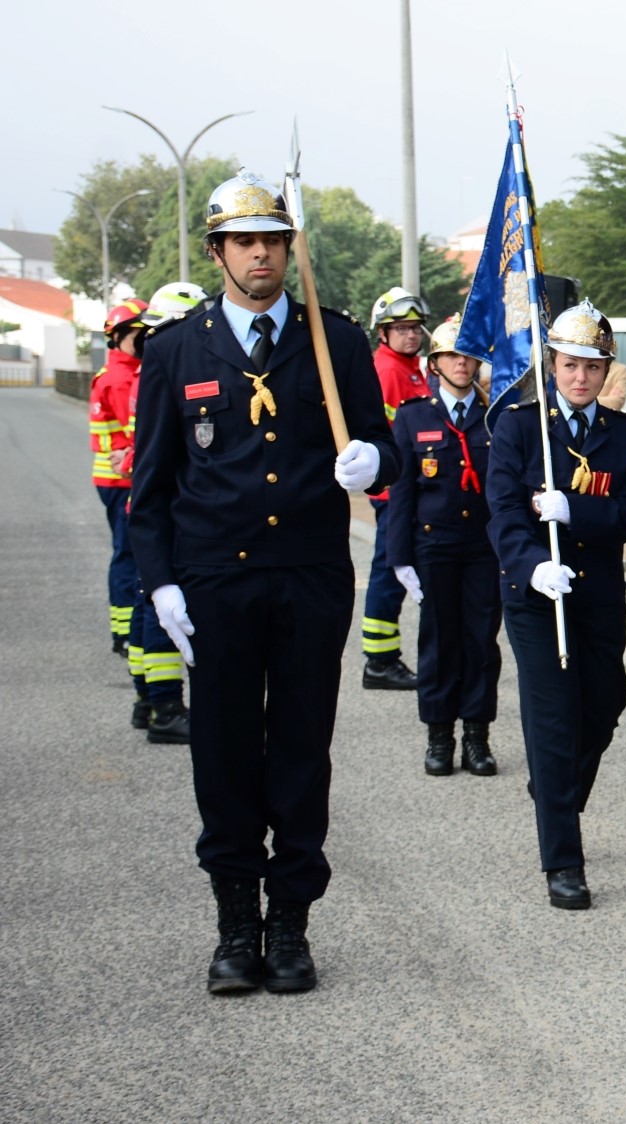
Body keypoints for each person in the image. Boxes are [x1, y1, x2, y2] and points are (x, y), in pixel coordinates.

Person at [129, 168, 399, 993]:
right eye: (244, 242)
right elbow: (150, 489)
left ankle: (290, 926)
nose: (260, 256)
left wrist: (373, 461)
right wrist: (162, 586)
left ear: (289, 251)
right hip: (215, 585)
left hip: (311, 578)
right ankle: (234, 927)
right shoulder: (177, 350)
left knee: (300, 754)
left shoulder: (339, 342)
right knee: (223, 754)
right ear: (217, 253)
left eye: (273, 242)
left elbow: (380, 444)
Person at [487, 300, 626, 908]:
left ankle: (555, 791)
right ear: (550, 364)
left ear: (606, 370)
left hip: (597, 593)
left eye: (592, 366)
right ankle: (564, 859)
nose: (580, 377)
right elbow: (504, 511)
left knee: (605, 703)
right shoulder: (517, 427)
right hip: (536, 595)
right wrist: (533, 566)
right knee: (552, 719)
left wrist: (573, 510)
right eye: (569, 365)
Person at [383, 315, 502, 779]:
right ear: (435, 363)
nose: (461, 363)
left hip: (483, 547)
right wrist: (399, 557)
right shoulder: (415, 416)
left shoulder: (496, 416)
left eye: (468, 356)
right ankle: (439, 736)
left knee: (479, 643)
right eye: (452, 355)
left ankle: (476, 735)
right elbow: (402, 493)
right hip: (434, 546)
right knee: (437, 643)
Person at [124, 282, 209, 746]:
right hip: (166, 512)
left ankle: (147, 699)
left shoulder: (152, 366)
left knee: (147, 603)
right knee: (160, 610)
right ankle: (166, 707)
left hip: (156, 508)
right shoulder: (166, 368)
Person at [359, 286, 430, 691]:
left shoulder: (412, 369)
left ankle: (384, 657)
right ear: (383, 333)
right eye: (401, 328)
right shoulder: (388, 371)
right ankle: (380, 660)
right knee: (389, 571)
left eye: (415, 328)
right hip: (395, 492)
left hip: (412, 489)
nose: (411, 335)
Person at [89, 297, 148, 659]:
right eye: (141, 334)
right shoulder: (122, 377)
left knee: (125, 553)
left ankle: (122, 628)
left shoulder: (116, 372)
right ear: (122, 336)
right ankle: (127, 631)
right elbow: (140, 433)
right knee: (129, 555)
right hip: (124, 479)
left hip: (117, 478)